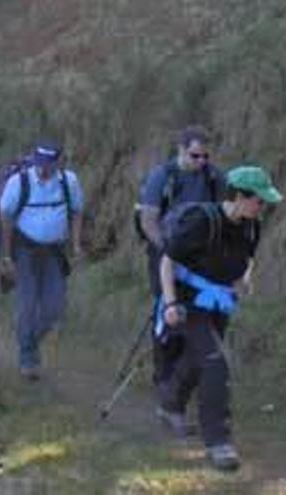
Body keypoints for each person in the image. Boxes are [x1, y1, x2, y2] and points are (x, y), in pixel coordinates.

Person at [156, 164, 280, 471]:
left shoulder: (252, 225)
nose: (262, 207)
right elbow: (167, 262)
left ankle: (169, 404)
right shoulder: (202, 221)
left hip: (220, 301)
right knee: (215, 362)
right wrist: (170, 303)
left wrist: (244, 279)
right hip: (187, 301)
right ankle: (218, 442)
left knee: (200, 359)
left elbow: (249, 258)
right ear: (239, 196)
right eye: (259, 201)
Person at [139, 126, 226, 389]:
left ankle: (181, 379)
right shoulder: (162, 177)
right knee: (168, 311)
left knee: (196, 313)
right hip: (164, 251)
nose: (201, 162)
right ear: (181, 150)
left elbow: (224, 215)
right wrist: (168, 250)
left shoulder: (214, 178)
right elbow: (148, 220)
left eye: (205, 156)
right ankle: (164, 376)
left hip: (198, 259)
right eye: (195, 156)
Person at [0, 142, 84, 380]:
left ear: (58, 163)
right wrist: (6, 256)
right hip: (24, 250)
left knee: (54, 308)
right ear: (34, 160)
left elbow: (77, 211)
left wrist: (76, 245)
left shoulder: (69, 181)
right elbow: (5, 218)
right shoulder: (19, 182)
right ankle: (28, 356)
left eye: (49, 164)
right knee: (27, 305)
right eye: (40, 164)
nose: (43, 169)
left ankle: (28, 342)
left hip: (54, 252)